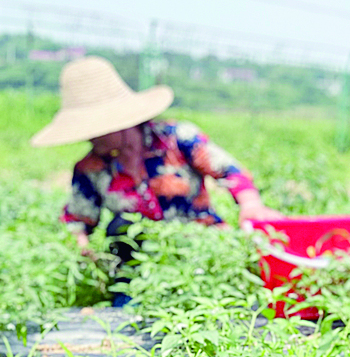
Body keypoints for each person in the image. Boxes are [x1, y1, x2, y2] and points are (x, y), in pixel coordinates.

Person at [31, 55, 283, 304]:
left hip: (203, 251)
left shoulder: (176, 138)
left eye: (97, 129)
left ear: (120, 121)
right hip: (141, 269)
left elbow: (230, 171)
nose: (91, 138)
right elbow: (77, 220)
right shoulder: (90, 169)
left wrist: (250, 205)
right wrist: (82, 248)